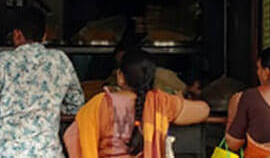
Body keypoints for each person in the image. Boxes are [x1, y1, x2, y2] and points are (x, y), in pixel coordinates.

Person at [0, 7, 84, 157]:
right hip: (47, 153)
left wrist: (4, 108)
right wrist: (51, 107)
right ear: (45, 35)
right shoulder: (60, 60)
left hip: (7, 153)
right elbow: (77, 105)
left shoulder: (3, 61)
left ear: (17, 34)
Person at [64, 49, 210, 158]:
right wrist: (179, 100)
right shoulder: (160, 102)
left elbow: (72, 137)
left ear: (120, 77)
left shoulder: (100, 103)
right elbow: (203, 110)